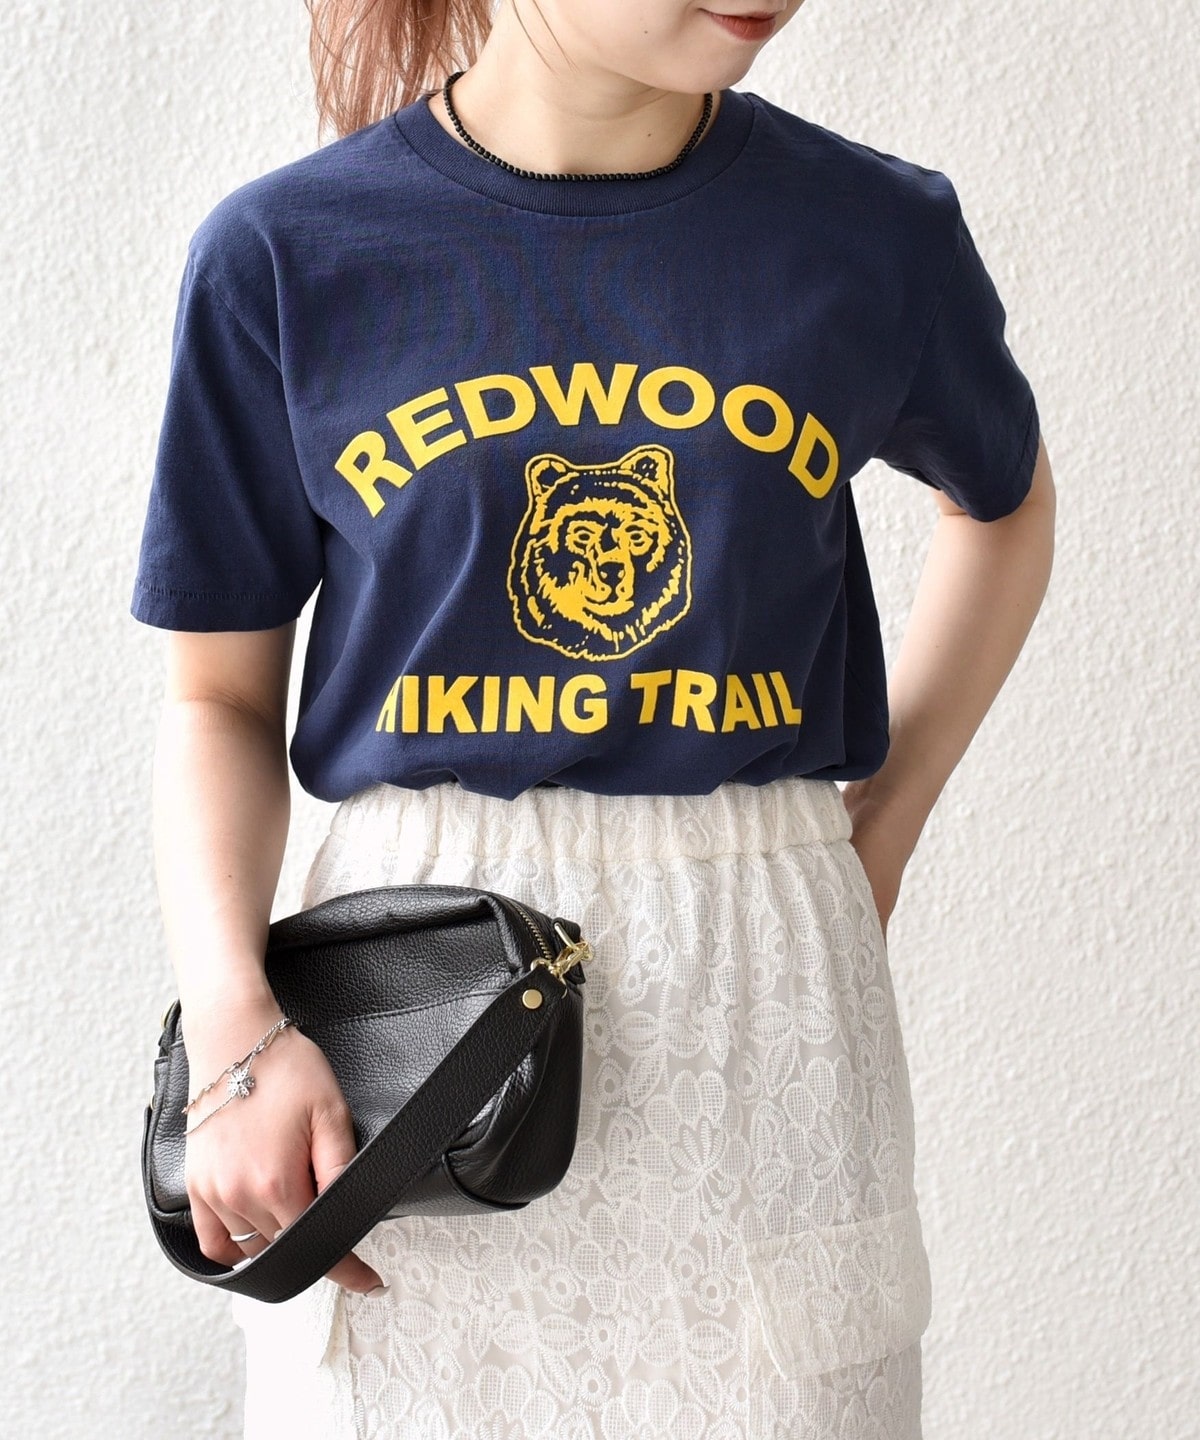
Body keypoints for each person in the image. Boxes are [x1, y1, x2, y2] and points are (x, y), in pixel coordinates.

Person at [131, 1, 1055, 1436]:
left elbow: (1004, 502)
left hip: (760, 1004)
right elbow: (217, 696)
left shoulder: (873, 237)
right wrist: (232, 1029)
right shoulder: (287, 256)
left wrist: (880, 826)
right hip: (414, 1011)